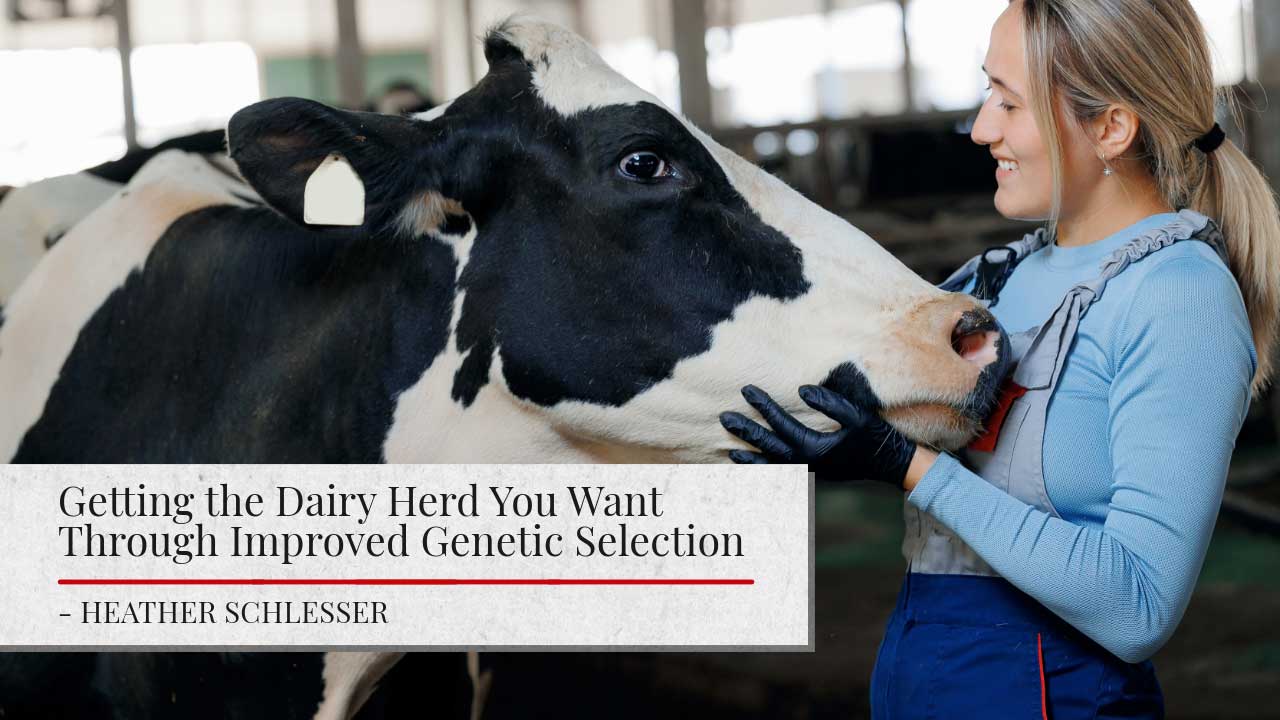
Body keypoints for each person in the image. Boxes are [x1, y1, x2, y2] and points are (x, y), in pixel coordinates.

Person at [719, 0, 1279, 717]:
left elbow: (1139, 606)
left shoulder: (1178, 296)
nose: (982, 129)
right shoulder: (1000, 279)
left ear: (1111, 127)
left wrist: (907, 466)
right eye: (989, 92)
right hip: (923, 676)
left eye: (1009, 103)